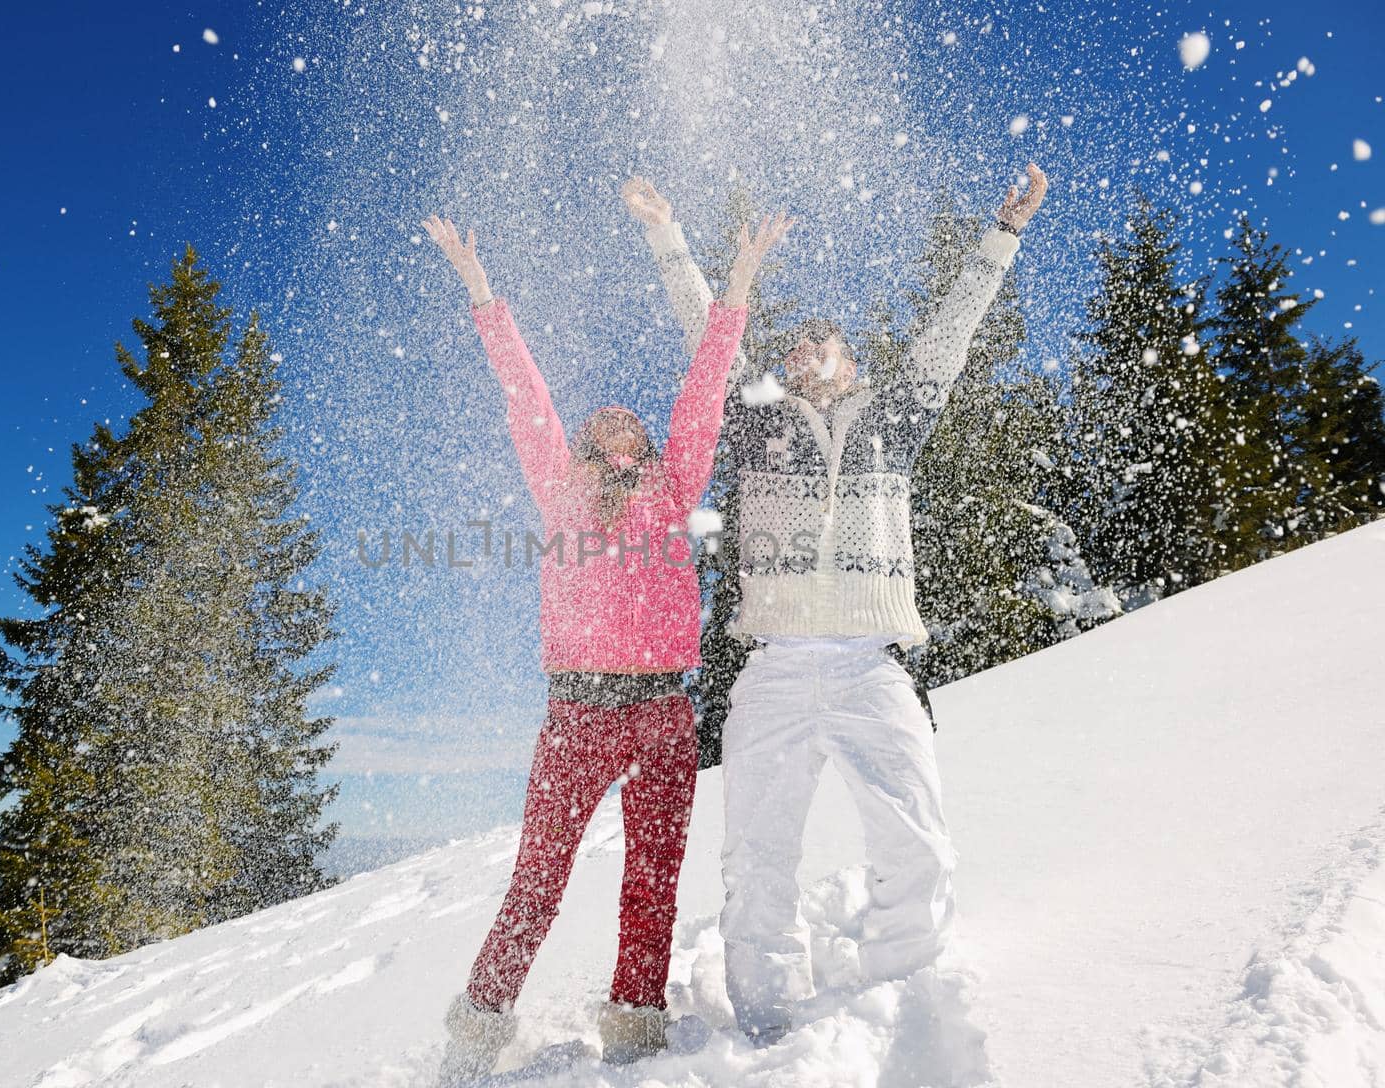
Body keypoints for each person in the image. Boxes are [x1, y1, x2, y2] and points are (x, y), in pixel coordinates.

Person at [623, 164, 1049, 1045]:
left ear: (852, 362)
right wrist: (667, 235)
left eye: (820, 341)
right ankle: (769, 1027)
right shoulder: (755, 418)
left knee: (916, 842)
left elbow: (951, 332)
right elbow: (709, 336)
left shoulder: (896, 414)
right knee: (757, 860)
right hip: (774, 669)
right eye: (792, 346)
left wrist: (1001, 236)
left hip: (872, 665)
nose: (799, 352)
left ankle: (909, 999)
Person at [421, 207, 793, 1080]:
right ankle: (482, 1018)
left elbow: (704, 389)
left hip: (664, 709)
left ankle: (634, 1019)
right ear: (587, 443)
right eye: (607, 424)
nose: (623, 429)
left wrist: (737, 283)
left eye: (635, 424)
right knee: (539, 878)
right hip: (577, 711)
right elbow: (526, 394)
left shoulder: (674, 485)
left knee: (654, 878)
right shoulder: (560, 488)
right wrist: (480, 289)